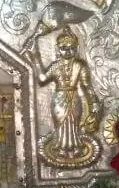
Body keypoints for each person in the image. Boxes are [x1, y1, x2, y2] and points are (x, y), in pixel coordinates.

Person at [27, 27, 101, 168]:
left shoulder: (80, 65)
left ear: (77, 48)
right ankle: (61, 148)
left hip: (74, 97)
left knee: (73, 123)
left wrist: (94, 102)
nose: (68, 51)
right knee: (60, 124)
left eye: (71, 48)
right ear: (57, 49)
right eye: (63, 48)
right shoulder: (56, 65)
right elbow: (42, 79)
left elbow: (87, 86)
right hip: (59, 98)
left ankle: (76, 148)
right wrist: (36, 59)